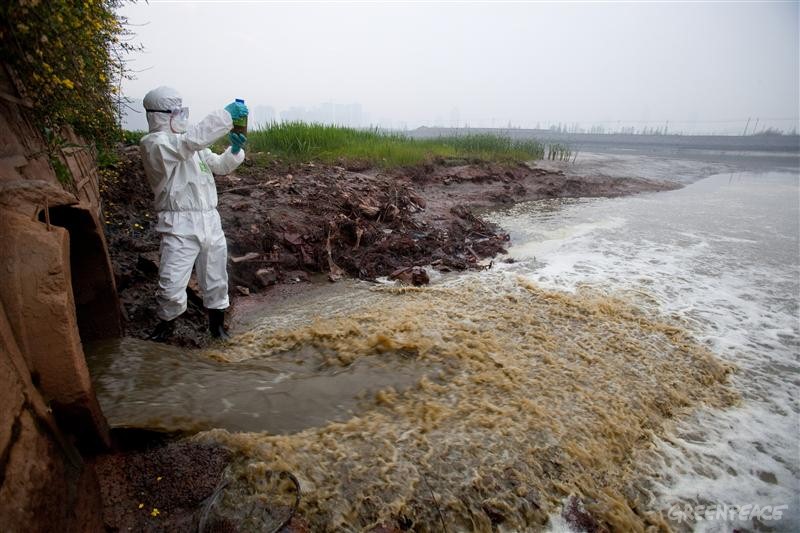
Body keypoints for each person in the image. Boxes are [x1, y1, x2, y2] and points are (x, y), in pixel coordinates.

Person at [139, 86, 248, 341]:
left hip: (209, 218)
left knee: (216, 276)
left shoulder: (188, 142)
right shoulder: (154, 144)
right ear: (161, 115)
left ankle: (217, 329)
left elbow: (219, 166)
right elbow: (188, 143)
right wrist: (225, 116)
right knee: (171, 282)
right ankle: (166, 329)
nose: (181, 116)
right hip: (178, 223)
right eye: (175, 111)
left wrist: (233, 152)